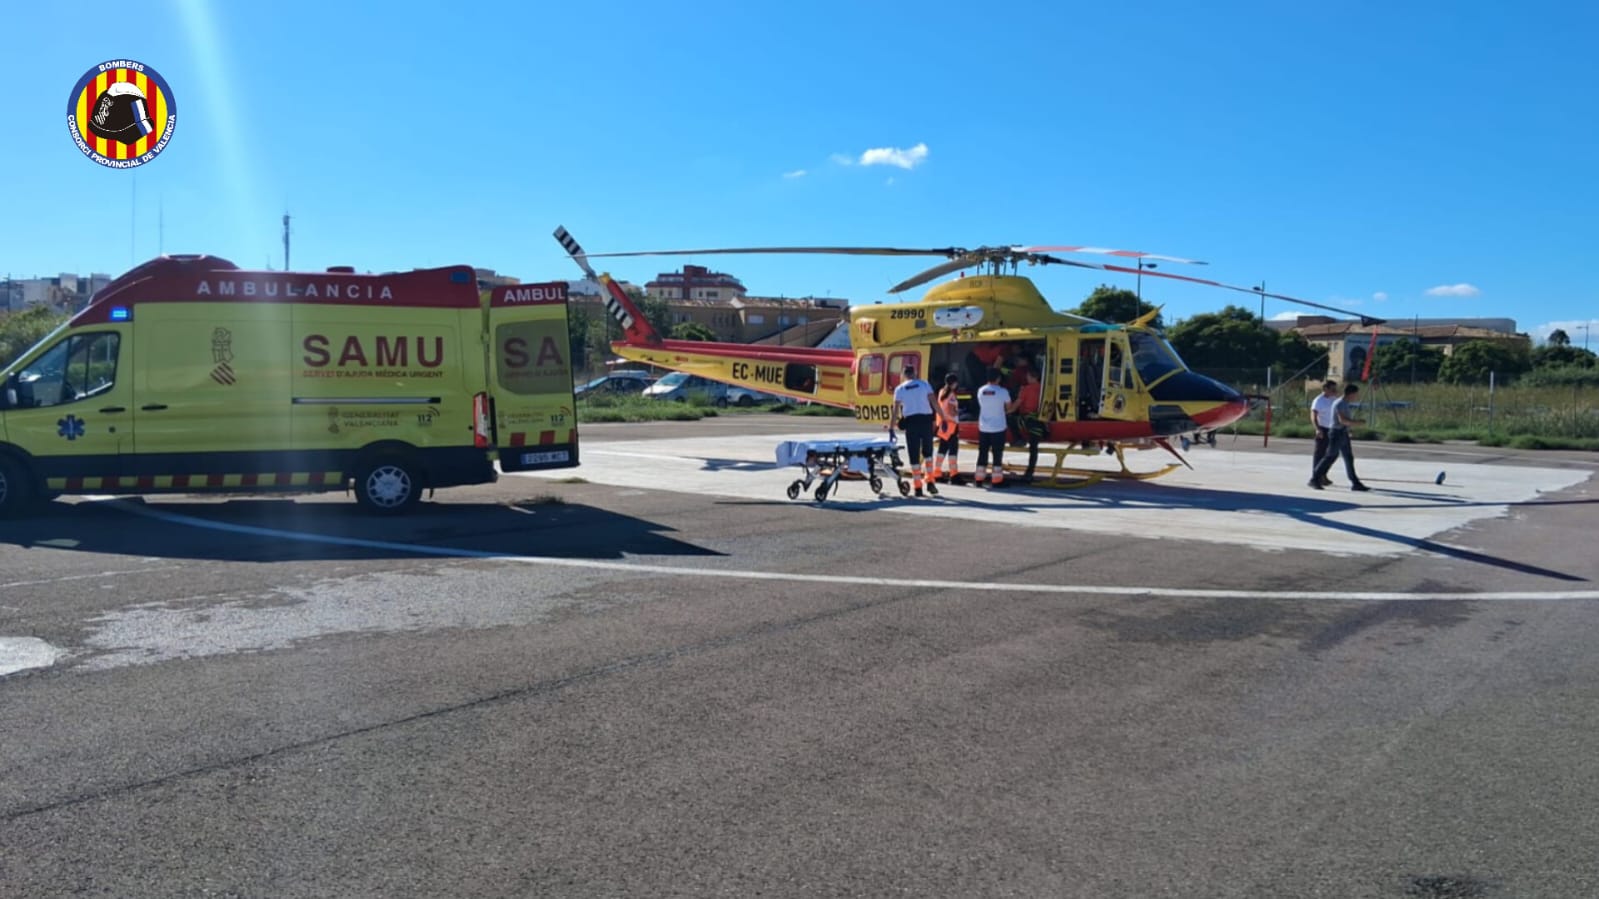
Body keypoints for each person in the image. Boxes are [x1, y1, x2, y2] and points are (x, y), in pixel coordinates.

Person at [889, 361, 939, 497]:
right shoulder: (924, 384)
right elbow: (934, 402)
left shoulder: (900, 389)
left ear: (903, 375)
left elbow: (895, 411)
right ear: (915, 373)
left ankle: (918, 487)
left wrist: (891, 428)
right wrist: (942, 416)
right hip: (926, 421)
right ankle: (930, 481)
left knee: (914, 454)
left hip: (911, 423)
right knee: (928, 453)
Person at [1312, 383, 1370, 491]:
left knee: (1348, 457)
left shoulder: (1344, 403)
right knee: (1329, 456)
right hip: (1337, 433)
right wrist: (1357, 422)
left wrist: (1349, 429)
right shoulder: (1340, 403)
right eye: (1356, 394)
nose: (1356, 397)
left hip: (1343, 433)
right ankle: (1314, 479)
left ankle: (1355, 483)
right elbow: (1342, 420)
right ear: (1351, 394)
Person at [974, 368, 1017, 487]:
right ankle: (996, 480)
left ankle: (979, 479)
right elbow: (1009, 408)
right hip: (998, 427)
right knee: (997, 454)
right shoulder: (1003, 392)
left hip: (983, 427)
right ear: (998, 378)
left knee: (982, 452)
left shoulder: (981, 390)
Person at [1007, 366, 1045, 481]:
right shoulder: (1043, 388)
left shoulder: (1026, 389)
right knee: (1034, 448)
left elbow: (1016, 405)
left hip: (1027, 420)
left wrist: (1006, 411)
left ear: (1031, 377)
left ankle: (1018, 439)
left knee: (1010, 419)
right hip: (1041, 421)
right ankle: (1030, 472)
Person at [1308, 379, 1339, 487]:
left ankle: (1323, 474)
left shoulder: (1334, 399)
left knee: (1333, 454)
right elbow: (1313, 416)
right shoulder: (1319, 400)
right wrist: (1317, 428)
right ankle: (1315, 478)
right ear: (1325, 389)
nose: (1335, 391)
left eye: (1335, 389)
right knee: (1320, 455)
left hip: (1333, 429)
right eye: (1332, 389)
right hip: (1323, 429)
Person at [933, 372, 962, 484]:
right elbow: (951, 410)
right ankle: (954, 475)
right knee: (953, 450)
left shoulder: (942, 392)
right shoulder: (951, 395)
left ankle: (937, 473)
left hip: (943, 425)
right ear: (954, 383)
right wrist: (957, 412)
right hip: (951, 425)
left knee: (942, 449)